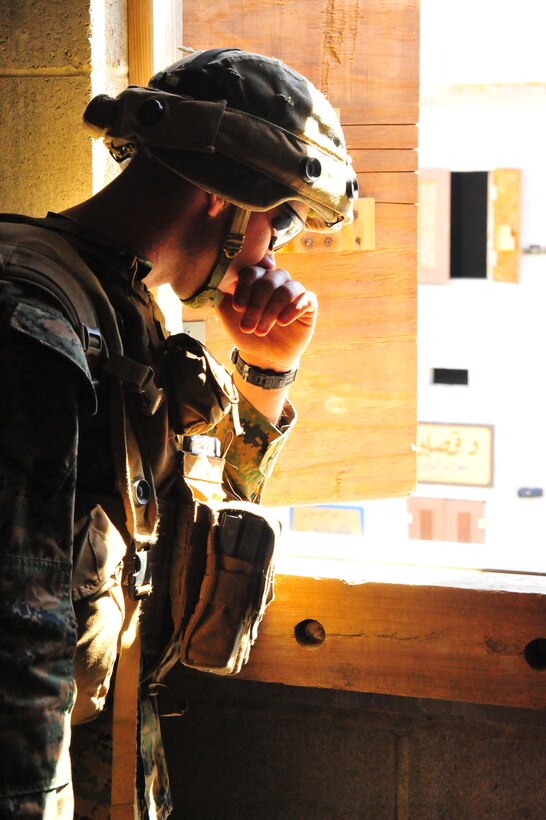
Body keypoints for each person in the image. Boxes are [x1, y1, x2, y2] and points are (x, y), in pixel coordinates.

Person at [0, 47, 357, 818]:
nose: (272, 258)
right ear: (220, 197)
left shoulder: (132, 310)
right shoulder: (34, 323)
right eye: (281, 225)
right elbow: (16, 645)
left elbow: (198, 518)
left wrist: (267, 372)